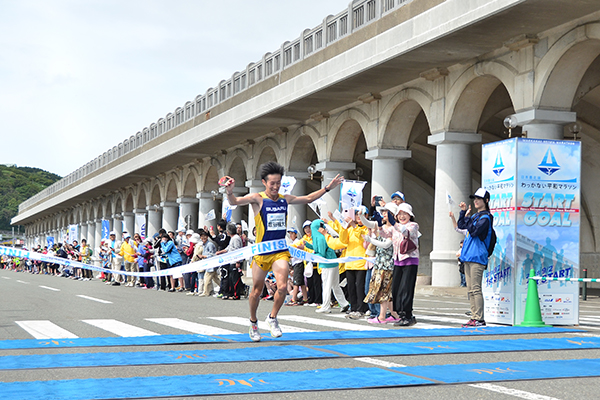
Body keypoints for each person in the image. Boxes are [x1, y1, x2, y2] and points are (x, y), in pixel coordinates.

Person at [222, 161, 343, 342]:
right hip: (262, 251)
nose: (275, 186)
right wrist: (229, 191)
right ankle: (253, 322)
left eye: (278, 183)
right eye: (272, 183)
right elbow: (235, 202)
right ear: (264, 182)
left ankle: (272, 317)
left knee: (283, 286)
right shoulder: (258, 198)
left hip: (280, 250)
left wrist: (327, 188)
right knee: (256, 291)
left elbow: (309, 198)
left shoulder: (285, 199)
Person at [457, 187, 494, 327]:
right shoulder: (475, 216)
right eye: (475, 199)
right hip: (468, 256)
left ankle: (479, 318)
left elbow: (474, 232)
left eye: (479, 199)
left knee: (476, 288)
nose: (476, 201)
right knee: (470, 289)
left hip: (477, 257)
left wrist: (468, 220)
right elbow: (462, 225)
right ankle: (474, 316)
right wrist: (463, 213)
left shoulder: (486, 217)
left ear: (486, 200)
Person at [360, 203, 402, 324]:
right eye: (382, 212)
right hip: (379, 262)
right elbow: (368, 223)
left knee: (383, 290)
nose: (383, 214)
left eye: (386, 212)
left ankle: (382, 317)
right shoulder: (381, 226)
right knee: (385, 291)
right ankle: (394, 314)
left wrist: (370, 240)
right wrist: (361, 215)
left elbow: (386, 244)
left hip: (388, 263)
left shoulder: (395, 228)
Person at [302, 219, 350, 314]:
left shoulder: (319, 238)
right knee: (335, 285)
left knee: (327, 285)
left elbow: (321, 253)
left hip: (327, 264)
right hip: (333, 263)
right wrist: (307, 245)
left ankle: (326, 306)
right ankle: (344, 303)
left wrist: (312, 256)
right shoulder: (321, 236)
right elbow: (317, 248)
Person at [390, 203, 420, 327]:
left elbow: (405, 232)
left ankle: (408, 315)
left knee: (406, 288)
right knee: (396, 288)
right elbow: (383, 234)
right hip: (397, 260)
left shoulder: (413, 225)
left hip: (410, 260)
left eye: (405, 214)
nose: (402, 216)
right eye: (400, 214)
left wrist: (393, 223)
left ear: (410, 215)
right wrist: (380, 223)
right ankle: (401, 314)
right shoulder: (394, 228)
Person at [286, 227, 307, 306]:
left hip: (299, 263)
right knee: (301, 283)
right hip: (295, 263)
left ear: (296, 234)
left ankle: (293, 299)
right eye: (290, 234)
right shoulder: (292, 243)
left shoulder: (298, 242)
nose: (291, 235)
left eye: (292, 233)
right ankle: (305, 298)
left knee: (296, 282)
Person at [197, 229, 219, 297]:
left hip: (211, 264)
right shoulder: (204, 245)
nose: (203, 238)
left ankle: (206, 292)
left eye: (205, 236)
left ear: (207, 237)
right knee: (216, 279)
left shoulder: (210, 244)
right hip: (208, 264)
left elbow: (213, 255)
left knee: (206, 278)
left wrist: (204, 256)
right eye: (202, 236)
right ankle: (226, 288)